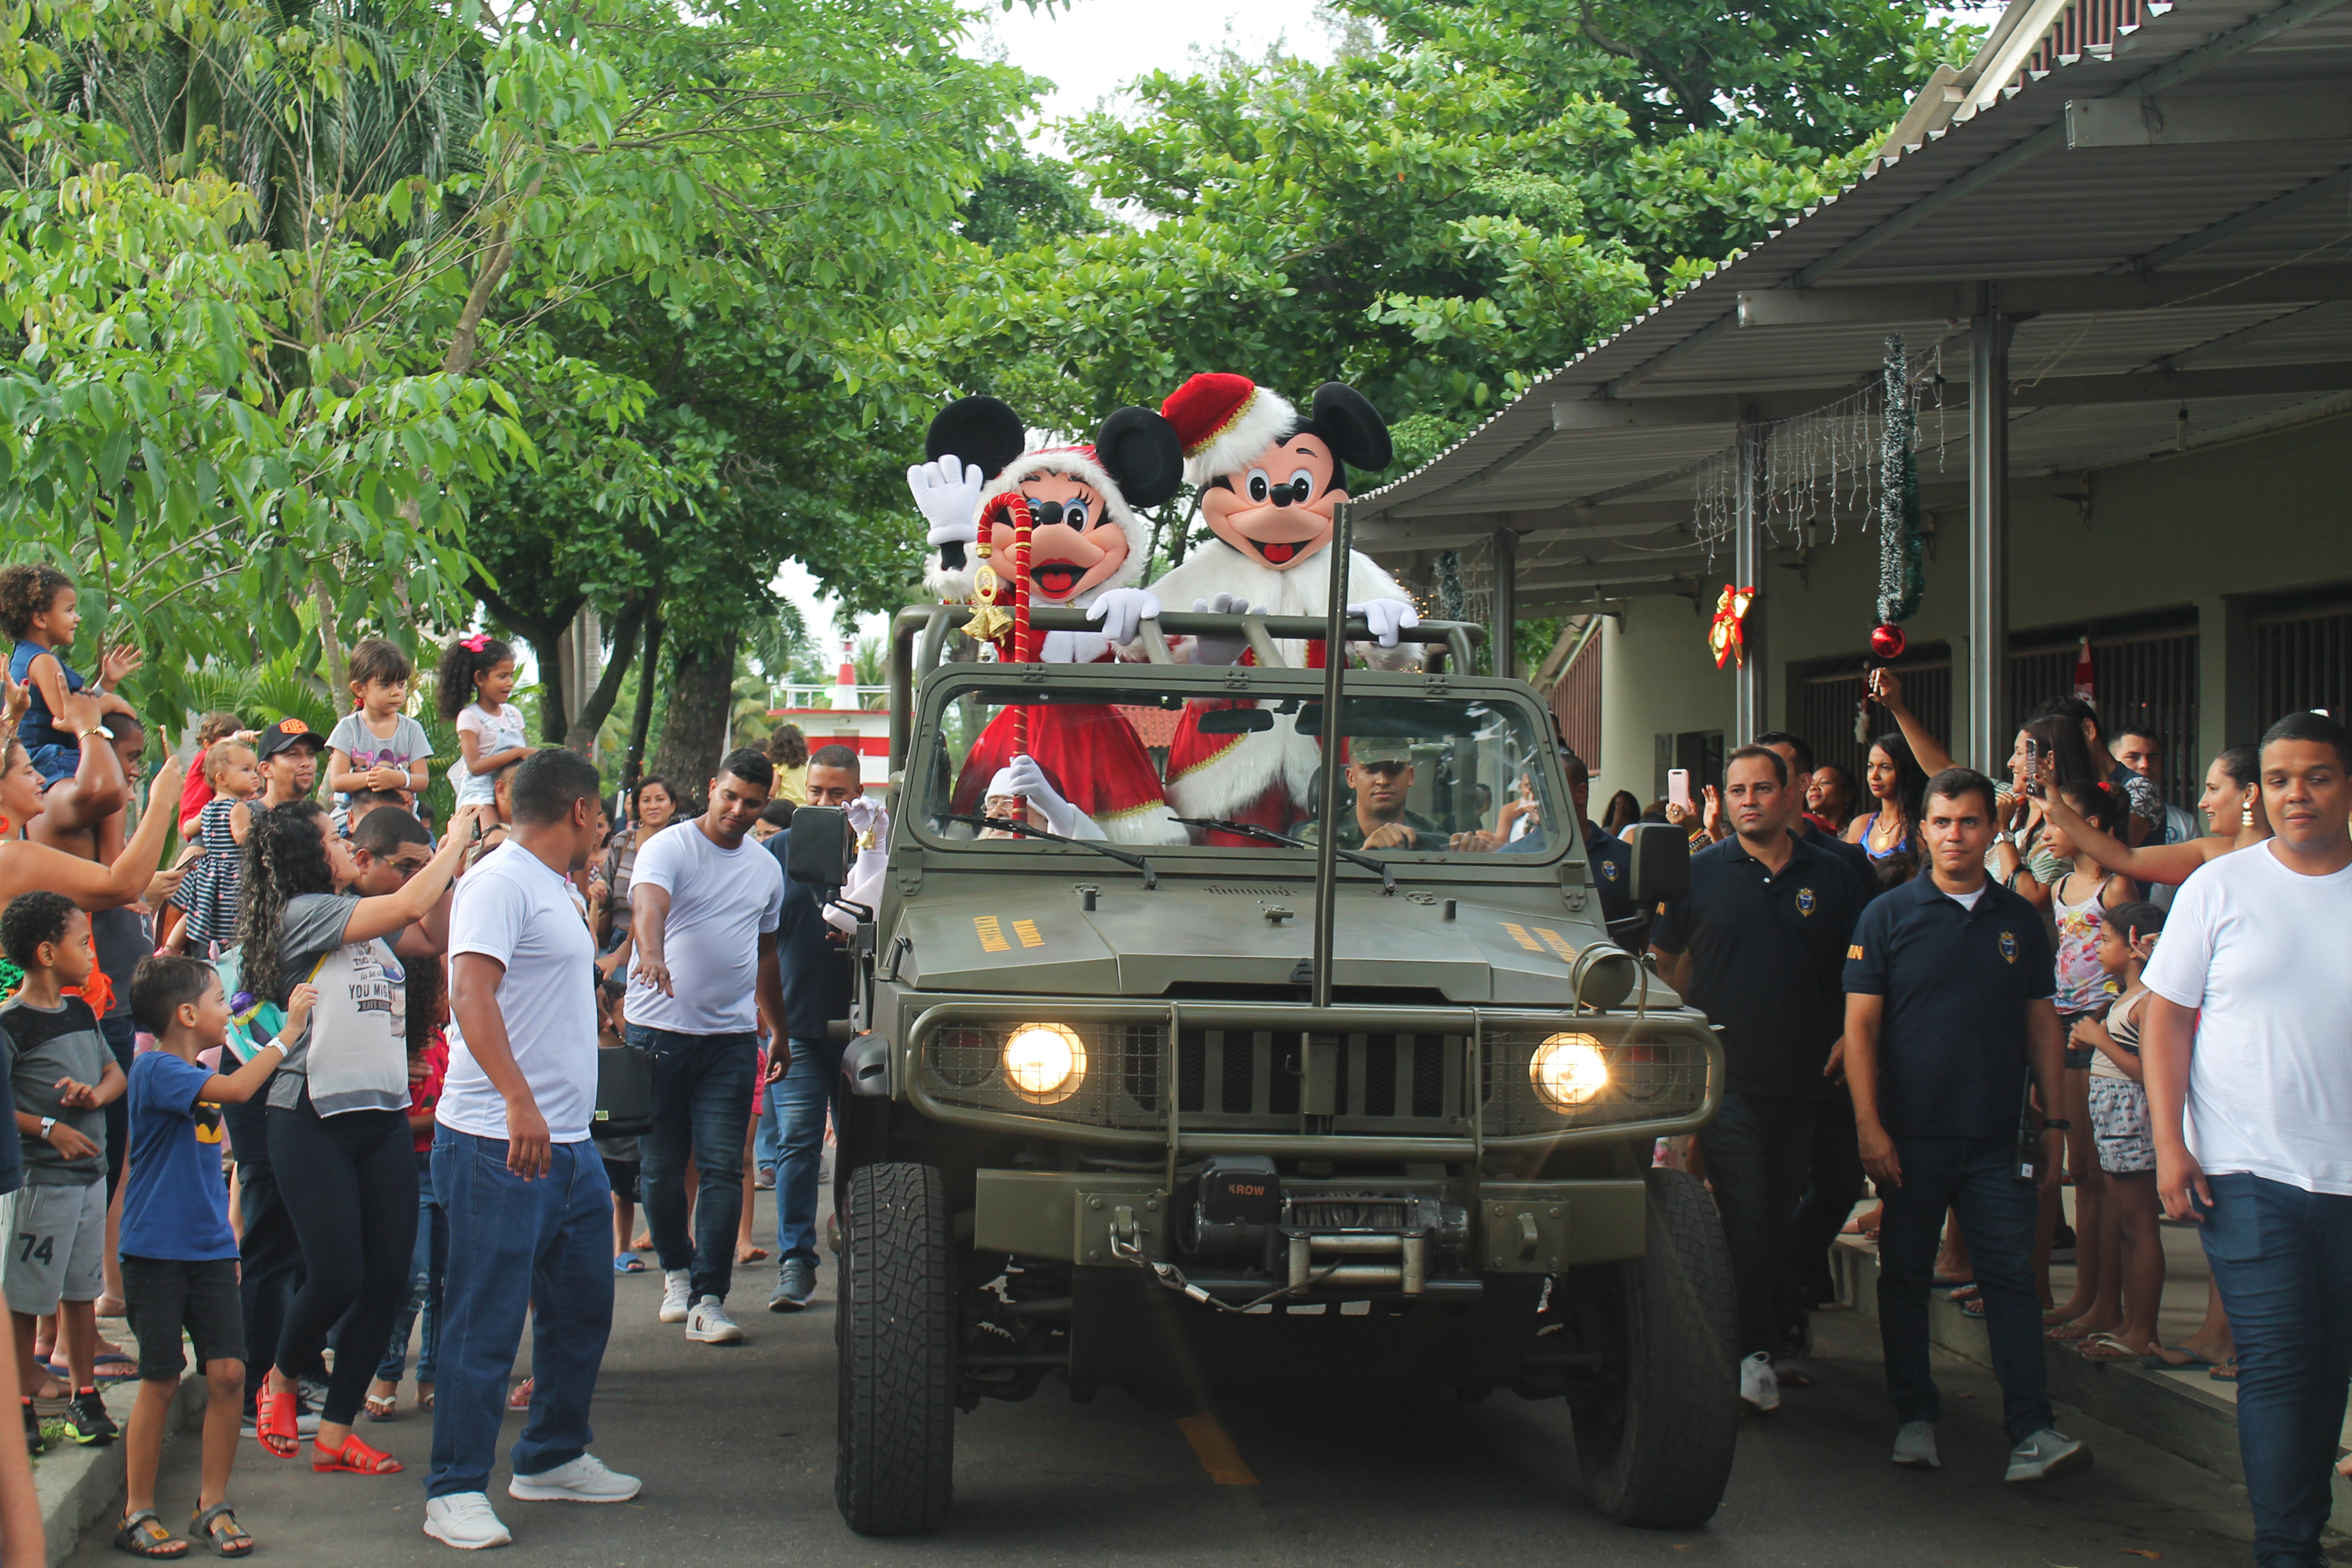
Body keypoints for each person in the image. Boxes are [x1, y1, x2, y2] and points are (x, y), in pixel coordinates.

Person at [2142, 711, 2352, 1568]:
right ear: (2259, 793)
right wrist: (2171, 1144)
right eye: (2279, 779)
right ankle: (2286, 1550)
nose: (2296, 794)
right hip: (2248, 1171)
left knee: (2331, 1369)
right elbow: (2166, 1022)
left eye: (2318, 776)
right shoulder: (2220, 888)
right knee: (2276, 1364)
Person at [1842, 767, 2088, 1483]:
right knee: (1907, 1276)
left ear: (1991, 830)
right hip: (1910, 1138)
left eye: (1970, 822)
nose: (1956, 835)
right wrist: (1868, 1125)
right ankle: (1916, 1416)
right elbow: (1859, 1029)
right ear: (1923, 830)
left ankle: (2032, 1432)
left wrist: (2055, 1120)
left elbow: (2042, 1022)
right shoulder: (1886, 917)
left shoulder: (2018, 920)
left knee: (2012, 1278)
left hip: (1996, 1136)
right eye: (1943, 822)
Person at [429, 748, 639, 1550]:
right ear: (582, 811)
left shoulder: (553, 886)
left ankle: (551, 1457)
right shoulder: (499, 880)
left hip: (568, 1142)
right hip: (496, 1140)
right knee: (483, 1322)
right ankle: (451, 1489)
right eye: (604, 813)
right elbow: (469, 991)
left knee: (580, 1312)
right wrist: (518, 1100)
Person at [238, 800, 475, 1474]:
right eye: (333, 837)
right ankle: (281, 1377)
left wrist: (445, 864)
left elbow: (431, 932)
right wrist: (453, 841)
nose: (346, 843)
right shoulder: (305, 913)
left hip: (381, 1117)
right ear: (310, 856)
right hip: (311, 1116)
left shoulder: (364, 923)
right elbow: (407, 908)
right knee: (339, 1272)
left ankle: (338, 1434)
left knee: (390, 1279)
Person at [1649, 745, 1864, 1414]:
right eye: (1738, 790)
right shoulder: (1696, 872)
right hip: (1727, 1075)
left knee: (1779, 1210)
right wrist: (1673, 1038)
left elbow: (1865, 972)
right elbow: (1663, 961)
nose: (1750, 800)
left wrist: (1848, 1037)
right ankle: (1750, 1352)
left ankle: (1772, 1316)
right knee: (1745, 1208)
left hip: (1808, 1078)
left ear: (1793, 791)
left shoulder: (1836, 875)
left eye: (1763, 788)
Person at [113, 956, 309, 1559]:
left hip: (208, 1248)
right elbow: (242, 1087)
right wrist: (287, 1031)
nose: (230, 1008)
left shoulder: (195, 1066)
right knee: (162, 1377)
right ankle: (137, 1512)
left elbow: (214, 1156)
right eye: (220, 998)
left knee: (227, 1374)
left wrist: (231, 1229)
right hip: (155, 1248)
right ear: (187, 1014)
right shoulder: (155, 1070)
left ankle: (212, 1504)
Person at [625, 748, 788, 1344]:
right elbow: (649, 904)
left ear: (764, 803)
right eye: (730, 797)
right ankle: (676, 1270)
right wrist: (650, 952)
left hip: (729, 1040)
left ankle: (709, 1299)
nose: (739, 810)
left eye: (752, 802)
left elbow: (767, 954)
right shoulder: (668, 847)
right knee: (661, 1172)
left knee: (724, 1166)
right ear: (711, 786)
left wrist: (779, 1030)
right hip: (658, 1035)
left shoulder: (766, 867)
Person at [3, 893, 125, 1450]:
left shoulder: (80, 1010)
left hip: (88, 1178)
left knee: (81, 1289)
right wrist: (50, 1127)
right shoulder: (11, 1023)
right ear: (47, 952)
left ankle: (85, 1397)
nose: (91, 953)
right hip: (42, 1184)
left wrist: (93, 1094)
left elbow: (114, 1074)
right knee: (28, 1294)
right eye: (83, 943)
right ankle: (19, 1404)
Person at [758, 747, 868, 1311]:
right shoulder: (775, 853)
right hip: (797, 1027)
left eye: (839, 794)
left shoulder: (877, 850)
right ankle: (796, 1263)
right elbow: (759, 943)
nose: (827, 803)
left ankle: (867, 1255)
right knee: (796, 1144)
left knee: (866, 1149)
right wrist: (768, 1018)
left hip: (867, 1031)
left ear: (858, 791)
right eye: (818, 793)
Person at [2034, 781, 2136, 1339]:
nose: (2047, 829)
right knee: (2082, 1171)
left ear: (2089, 822)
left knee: (2099, 1174)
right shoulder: (2062, 885)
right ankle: (2085, 1296)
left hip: (2100, 1030)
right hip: (2065, 1027)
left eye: (2057, 819)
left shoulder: (2116, 886)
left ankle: (2105, 1302)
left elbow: (2133, 962)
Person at [2061, 901, 2168, 1362]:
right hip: (2113, 1121)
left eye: (2104, 940)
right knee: (2125, 1225)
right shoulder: (2123, 999)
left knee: (2140, 1225)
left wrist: (2100, 1040)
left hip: (2133, 1121)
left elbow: (2151, 1073)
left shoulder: (2149, 1004)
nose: (2096, 948)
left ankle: (2143, 1330)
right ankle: (2127, 1321)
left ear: (2135, 947)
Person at [368, 938, 451, 1420]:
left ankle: (433, 1375)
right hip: (410, 1173)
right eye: (441, 987)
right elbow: (389, 1122)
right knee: (411, 1279)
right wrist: (444, 1118)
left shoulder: (444, 1045)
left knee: (446, 1278)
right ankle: (388, 1370)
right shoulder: (394, 1053)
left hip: (446, 1167)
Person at [0, 564, 138, 786]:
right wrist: (110, 702)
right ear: (40, 619)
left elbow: (78, 707)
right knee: (113, 777)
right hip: (49, 763)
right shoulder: (43, 661)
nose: (78, 618)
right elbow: (66, 718)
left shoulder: (27, 655)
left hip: (44, 759)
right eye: (69, 610)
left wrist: (107, 683)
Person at [165, 737, 259, 955]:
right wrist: (263, 832)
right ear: (222, 778)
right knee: (232, 918)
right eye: (246, 770)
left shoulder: (208, 807)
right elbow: (241, 838)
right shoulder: (239, 807)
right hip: (233, 873)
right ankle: (226, 951)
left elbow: (189, 828)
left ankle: (175, 947)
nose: (255, 775)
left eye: (255, 769)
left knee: (198, 911)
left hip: (209, 873)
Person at [326, 638, 434, 814]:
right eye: (385, 685)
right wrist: (378, 779)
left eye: (401, 684)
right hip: (352, 813)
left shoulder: (412, 729)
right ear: (360, 689)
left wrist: (397, 779)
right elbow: (337, 781)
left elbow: (422, 780)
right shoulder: (349, 728)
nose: (396, 692)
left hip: (400, 812)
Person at [435, 633, 531, 812]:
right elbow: (475, 766)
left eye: (511, 676)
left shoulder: (514, 714)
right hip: (482, 794)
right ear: (480, 679)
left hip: (515, 791)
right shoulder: (470, 717)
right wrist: (517, 752)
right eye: (502, 677)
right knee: (491, 836)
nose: (510, 683)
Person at [595, 776, 676, 982]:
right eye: (646, 800)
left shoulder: (679, 846)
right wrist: (599, 890)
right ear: (638, 807)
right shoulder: (623, 841)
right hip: (619, 936)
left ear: (673, 805)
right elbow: (608, 887)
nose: (653, 806)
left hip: (662, 940)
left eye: (660, 799)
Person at [1843, 730, 1929, 888]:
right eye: (1870, 767)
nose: (1874, 775)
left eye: (1885, 768)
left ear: (1906, 771)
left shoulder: (1921, 828)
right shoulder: (1860, 825)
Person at [179, 712, 249, 839]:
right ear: (207, 744)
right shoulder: (204, 757)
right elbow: (217, 750)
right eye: (228, 742)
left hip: (214, 817)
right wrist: (238, 737)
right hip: (195, 819)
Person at [1806, 764, 1859, 834]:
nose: (1813, 788)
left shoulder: (1855, 837)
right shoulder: (1799, 833)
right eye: (1811, 784)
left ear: (1848, 794)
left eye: (1824, 782)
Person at [765, 725, 809, 808]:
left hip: (786, 809)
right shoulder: (803, 767)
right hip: (804, 808)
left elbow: (771, 793)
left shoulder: (779, 768)